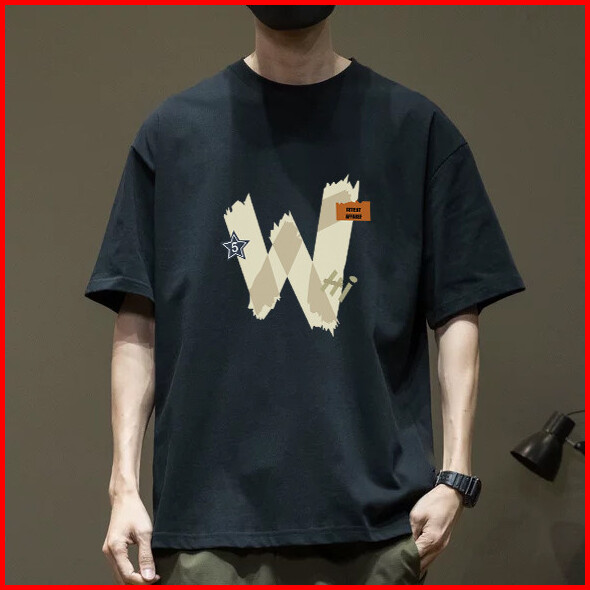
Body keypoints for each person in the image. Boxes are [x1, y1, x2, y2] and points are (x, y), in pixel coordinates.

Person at [84, 5, 526, 585]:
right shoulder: (174, 134)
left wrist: (455, 476)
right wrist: (123, 486)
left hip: (375, 529)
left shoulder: (413, 129)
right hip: (208, 530)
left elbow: (458, 309)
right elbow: (136, 322)